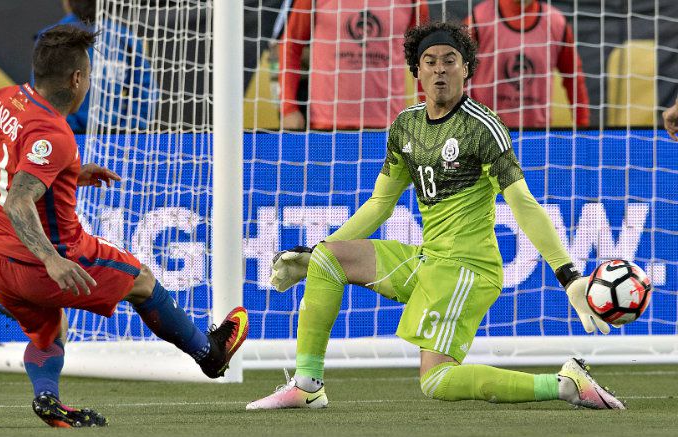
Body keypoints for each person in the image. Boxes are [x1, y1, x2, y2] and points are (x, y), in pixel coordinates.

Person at [247, 21, 623, 410]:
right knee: (328, 258)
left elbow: (523, 204)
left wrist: (568, 275)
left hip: (468, 269)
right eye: (430, 61)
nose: (439, 68)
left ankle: (565, 385)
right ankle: (307, 386)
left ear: (466, 69)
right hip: (428, 260)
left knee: (437, 380)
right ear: (417, 70)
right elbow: (379, 204)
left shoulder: (482, 127)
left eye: (450, 60)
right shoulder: (405, 126)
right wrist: (313, 250)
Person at [0, 25, 248, 428]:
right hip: (47, 262)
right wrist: (51, 260)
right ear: (76, 79)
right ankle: (210, 355)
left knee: (47, 332)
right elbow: (18, 198)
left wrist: (69, 173)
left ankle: (47, 398)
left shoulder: (3, 99)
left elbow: (17, 165)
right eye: (88, 75)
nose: (88, 82)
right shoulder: (55, 134)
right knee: (141, 279)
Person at [278, 0, 429, 130]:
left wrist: (429, 110)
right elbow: (291, 45)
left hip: (390, 125)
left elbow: (423, 56)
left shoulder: (414, 1)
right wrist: (288, 108)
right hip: (325, 124)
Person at [464, 0, 590, 128]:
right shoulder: (478, 19)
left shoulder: (556, 23)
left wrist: (583, 127)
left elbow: (574, 79)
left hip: (536, 136)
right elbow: (458, 78)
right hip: (486, 132)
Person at [35, 0, 156, 132]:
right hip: (96, 135)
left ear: (67, 3)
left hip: (83, 133)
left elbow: (42, 93)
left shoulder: (50, 37)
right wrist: (128, 127)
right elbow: (146, 92)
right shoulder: (126, 38)